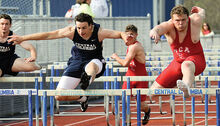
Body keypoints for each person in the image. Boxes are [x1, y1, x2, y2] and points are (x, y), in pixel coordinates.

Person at [8, 13, 129, 112]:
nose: (81, 31)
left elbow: (119, 33)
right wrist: (23, 38)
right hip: (77, 61)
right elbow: (49, 35)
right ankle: (83, 97)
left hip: (95, 61)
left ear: (91, 26)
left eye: (84, 28)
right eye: (79, 28)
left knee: (91, 67)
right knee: (59, 95)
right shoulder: (71, 31)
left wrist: (125, 38)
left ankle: (86, 80)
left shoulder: (100, 32)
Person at [149, 5, 206, 98]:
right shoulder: (168, 26)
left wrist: (200, 9)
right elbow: (156, 29)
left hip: (197, 60)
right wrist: (155, 32)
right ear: (172, 20)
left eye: (183, 20)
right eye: (177, 20)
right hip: (178, 62)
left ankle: (186, 85)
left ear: (188, 18)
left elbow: (202, 14)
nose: (180, 23)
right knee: (152, 92)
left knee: (186, 65)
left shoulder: (195, 20)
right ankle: (180, 89)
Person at [111, 24, 150, 125]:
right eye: (127, 34)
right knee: (124, 100)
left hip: (140, 77)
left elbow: (125, 63)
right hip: (130, 77)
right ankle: (127, 121)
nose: (129, 37)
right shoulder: (129, 45)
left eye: (132, 35)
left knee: (140, 105)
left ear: (136, 35)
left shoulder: (135, 46)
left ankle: (147, 111)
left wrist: (115, 57)